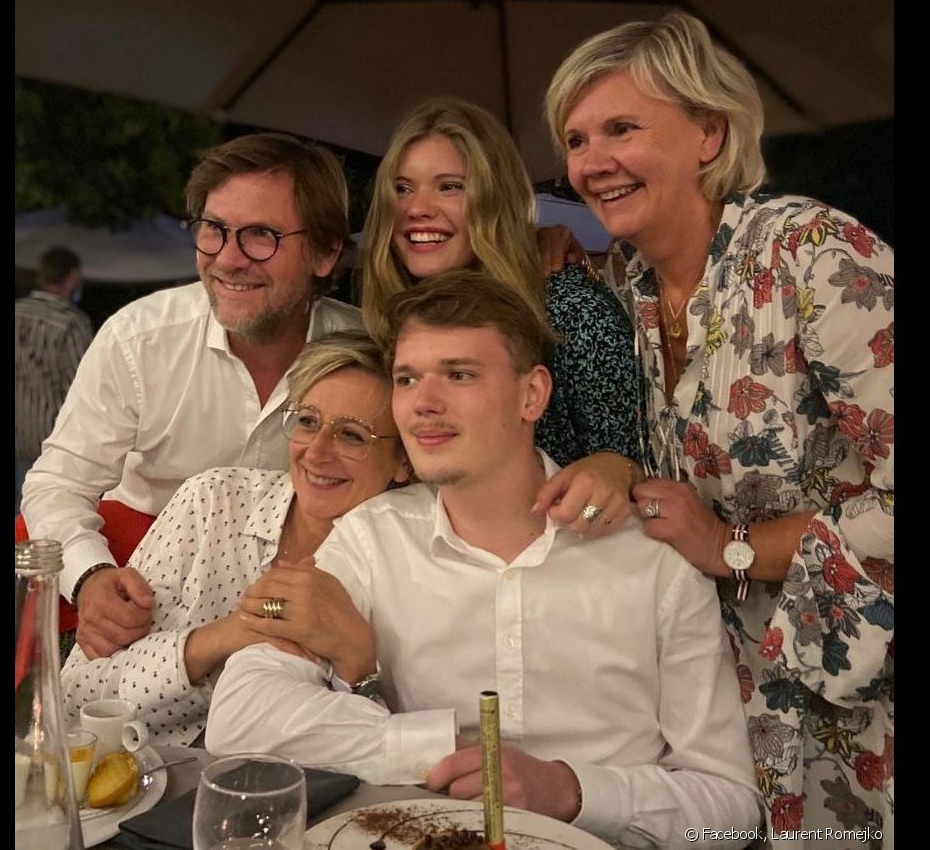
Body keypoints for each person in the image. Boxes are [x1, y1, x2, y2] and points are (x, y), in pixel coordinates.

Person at [207, 272, 761, 849]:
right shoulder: (371, 539)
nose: (424, 403)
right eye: (407, 378)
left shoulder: (653, 560)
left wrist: (572, 792)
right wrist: (438, 748)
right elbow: (243, 714)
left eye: (460, 374)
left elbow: (730, 810)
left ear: (532, 395)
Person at [542, 13, 894, 846]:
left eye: (621, 129)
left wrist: (728, 545)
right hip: (725, 716)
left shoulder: (812, 253)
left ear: (710, 132)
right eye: (576, 140)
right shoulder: (625, 290)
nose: (591, 162)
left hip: (863, 705)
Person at [20, 134, 361, 661]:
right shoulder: (138, 339)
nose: (228, 259)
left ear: (325, 252)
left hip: (301, 620)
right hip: (144, 610)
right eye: (214, 230)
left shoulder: (368, 355)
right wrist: (90, 577)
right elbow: (57, 483)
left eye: (262, 235)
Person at [61, 331, 409, 746]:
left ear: (404, 460)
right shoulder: (213, 502)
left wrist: (356, 664)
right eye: (307, 422)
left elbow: (400, 742)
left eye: (352, 435)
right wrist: (217, 640)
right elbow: (76, 694)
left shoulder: (412, 558)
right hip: (142, 770)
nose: (316, 453)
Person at [361, 97, 645, 534]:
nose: (417, 208)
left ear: (497, 198)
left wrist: (589, 520)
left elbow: (632, 478)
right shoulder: (387, 322)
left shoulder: (571, 311)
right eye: (402, 188)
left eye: (449, 186)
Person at [15, 247, 92, 514]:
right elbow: (83, 388)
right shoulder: (70, 323)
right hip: (53, 442)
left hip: (18, 436)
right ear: (72, 277)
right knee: (43, 522)